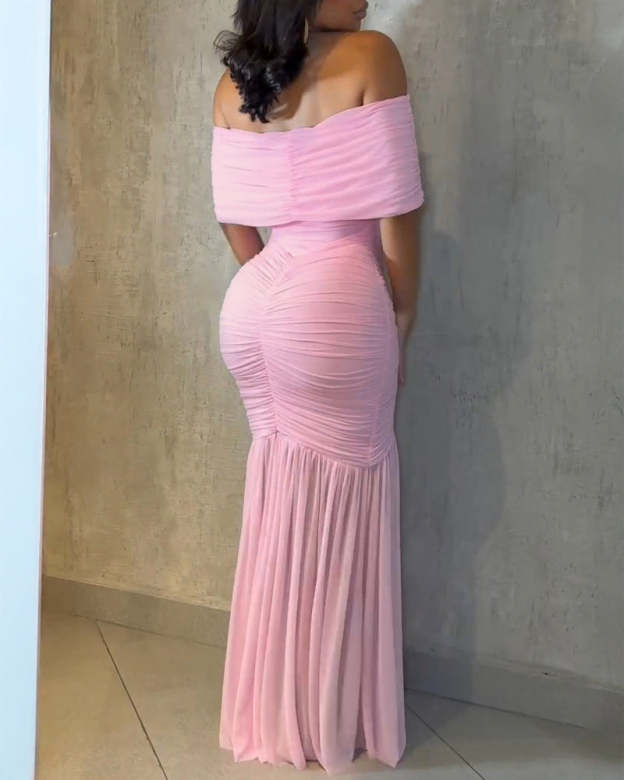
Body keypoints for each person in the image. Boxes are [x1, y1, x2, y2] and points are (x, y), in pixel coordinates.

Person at [210, 1, 424, 774]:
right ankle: (330, 715)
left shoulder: (233, 85)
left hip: (254, 303)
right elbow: (398, 213)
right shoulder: (373, 55)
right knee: (344, 500)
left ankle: (274, 708)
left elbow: (234, 220)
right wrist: (400, 315)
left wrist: (277, 288)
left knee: (282, 497)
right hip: (337, 293)